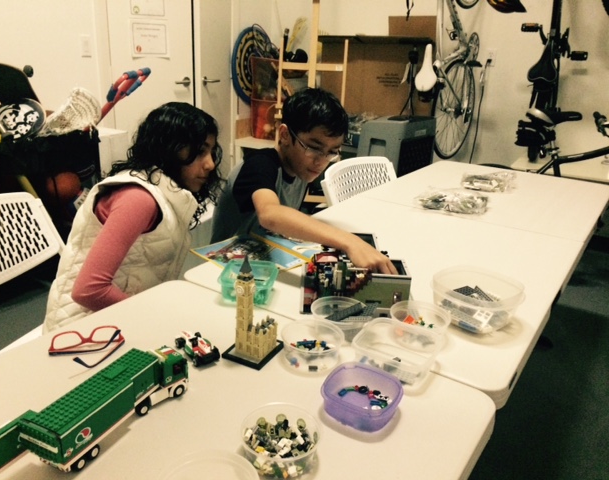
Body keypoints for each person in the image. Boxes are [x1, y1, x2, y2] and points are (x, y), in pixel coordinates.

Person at [43, 102, 223, 332]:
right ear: (169, 148)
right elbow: (88, 290)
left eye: (211, 152)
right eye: (199, 152)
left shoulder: (164, 192)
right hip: (81, 331)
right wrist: (153, 317)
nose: (210, 164)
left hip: (116, 319)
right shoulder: (138, 199)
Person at [211, 87, 396, 274]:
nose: (321, 161)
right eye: (314, 148)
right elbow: (270, 215)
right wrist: (349, 241)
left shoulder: (300, 169)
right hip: (223, 269)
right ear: (284, 135)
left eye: (332, 152)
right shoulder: (259, 165)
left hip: (263, 262)